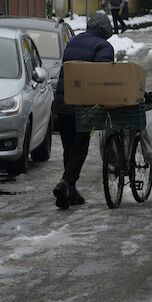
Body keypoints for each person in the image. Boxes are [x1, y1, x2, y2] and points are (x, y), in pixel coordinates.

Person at [52, 13, 115, 210]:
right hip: (83, 106)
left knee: (69, 148)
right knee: (79, 148)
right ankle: (65, 184)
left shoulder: (73, 42)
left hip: (63, 102)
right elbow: (102, 77)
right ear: (105, 30)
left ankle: (70, 191)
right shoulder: (104, 47)